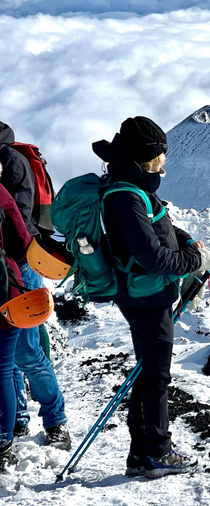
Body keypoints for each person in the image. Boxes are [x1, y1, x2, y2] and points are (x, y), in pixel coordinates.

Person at [93, 116, 210, 478]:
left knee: (147, 373)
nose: (165, 160)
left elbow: (159, 224)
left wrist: (186, 239)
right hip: (145, 297)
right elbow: (153, 257)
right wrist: (197, 259)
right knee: (156, 378)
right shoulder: (126, 195)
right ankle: (157, 452)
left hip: (146, 295)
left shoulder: (133, 184)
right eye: (161, 153)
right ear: (146, 157)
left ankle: (141, 453)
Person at [0, 121, 69, 449]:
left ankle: (56, 420)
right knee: (8, 351)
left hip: (21, 264)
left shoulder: (12, 162)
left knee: (26, 350)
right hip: (7, 266)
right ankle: (17, 418)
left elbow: (20, 220)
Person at [0, 171, 33, 470]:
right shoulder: (0, 192)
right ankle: (3, 444)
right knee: (4, 369)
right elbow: (22, 242)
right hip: (3, 293)